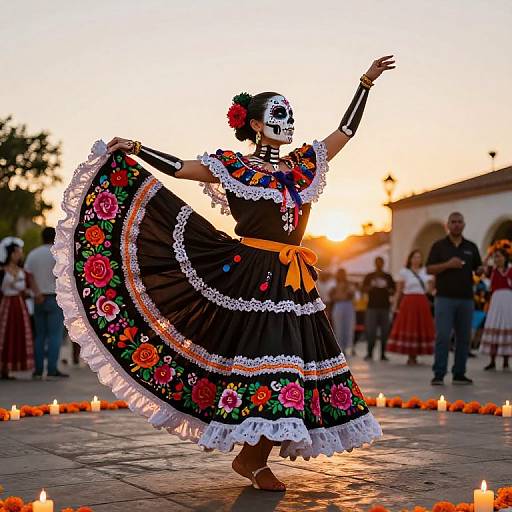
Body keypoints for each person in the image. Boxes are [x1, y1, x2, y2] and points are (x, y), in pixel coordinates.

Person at [54, 56, 395, 491]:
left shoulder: (302, 166)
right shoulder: (234, 166)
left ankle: (254, 457)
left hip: (294, 282)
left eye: (290, 115)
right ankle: (253, 459)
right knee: (272, 364)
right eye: (278, 114)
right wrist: (138, 149)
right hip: (250, 277)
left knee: (293, 366)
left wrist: (365, 83)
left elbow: (345, 132)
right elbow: (180, 170)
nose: (287, 122)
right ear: (255, 123)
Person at [426, 212, 483, 385]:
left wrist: (481, 271)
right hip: (444, 298)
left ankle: (459, 373)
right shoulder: (439, 246)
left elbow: (477, 269)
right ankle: (439, 373)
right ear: (448, 225)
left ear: (464, 225)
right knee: (443, 336)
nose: (456, 225)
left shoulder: (471, 247)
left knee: (464, 338)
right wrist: (448, 265)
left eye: (459, 222)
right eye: (453, 222)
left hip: (466, 298)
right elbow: (429, 269)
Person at [25, 227, 68, 379]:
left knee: (40, 335)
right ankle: (51, 369)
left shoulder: (33, 254)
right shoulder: (58, 254)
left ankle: (37, 370)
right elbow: (63, 276)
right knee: (55, 335)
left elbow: (29, 276)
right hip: (55, 297)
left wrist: (36, 293)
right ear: (54, 237)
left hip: (38, 298)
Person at [387, 250, 435, 365]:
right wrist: (395, 305)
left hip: (422, 300)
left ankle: (417, 353)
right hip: (409, 301)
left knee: (420, 327)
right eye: (414, 257)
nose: (417, 259)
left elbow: (430, 287)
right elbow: (399, 291)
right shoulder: (404, 272)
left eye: (419, 257)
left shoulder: (425, 271)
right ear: (410, 259)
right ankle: (410, 355)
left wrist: (431, 285)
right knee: (410, 326)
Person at [0, 237, 34, 379]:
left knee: (16, 334)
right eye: (19, 251)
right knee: (5, 334)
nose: (21, 254)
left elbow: (25, 287)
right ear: (12, 253)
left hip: (19, 305)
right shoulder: (2, 270)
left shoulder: (21, 271)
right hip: (6, 304)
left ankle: (9, 368)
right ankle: (3, 368)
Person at [480, 248, 512, 370]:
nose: (497, 259)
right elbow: (481, 269)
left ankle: (506, 361)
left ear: (505, 257)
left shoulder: (510, 270)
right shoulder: (491, 271)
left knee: (506, 326)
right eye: (495, 257)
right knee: (494, 327)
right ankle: (492, 360)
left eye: (499, 256)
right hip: (496, 302)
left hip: (509, 302)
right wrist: (487, 258)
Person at [362, 257, 396, 361]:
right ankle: (369, 352)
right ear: (375, 263)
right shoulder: (369, 276)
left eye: (381, 262)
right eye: (377, 262)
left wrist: (386, 288)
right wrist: (371, 286)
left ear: (383, 264)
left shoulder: (388, 276)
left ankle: (383, 354)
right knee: (371, 331)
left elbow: (393, 290)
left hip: (385, 307)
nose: (379, 264)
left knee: (385, 332)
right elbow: (363, 289)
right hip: (372, 307)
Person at [330, 268, 356, 352]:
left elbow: (351, 295)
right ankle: (340, 348)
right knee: (338, 327)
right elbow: (331, 296)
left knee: (348, 327)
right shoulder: (334, 284)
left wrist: (342, 295)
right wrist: (340, 296)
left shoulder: (349, 284)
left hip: (348, 305)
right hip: (338, 305)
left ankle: (347, 347)